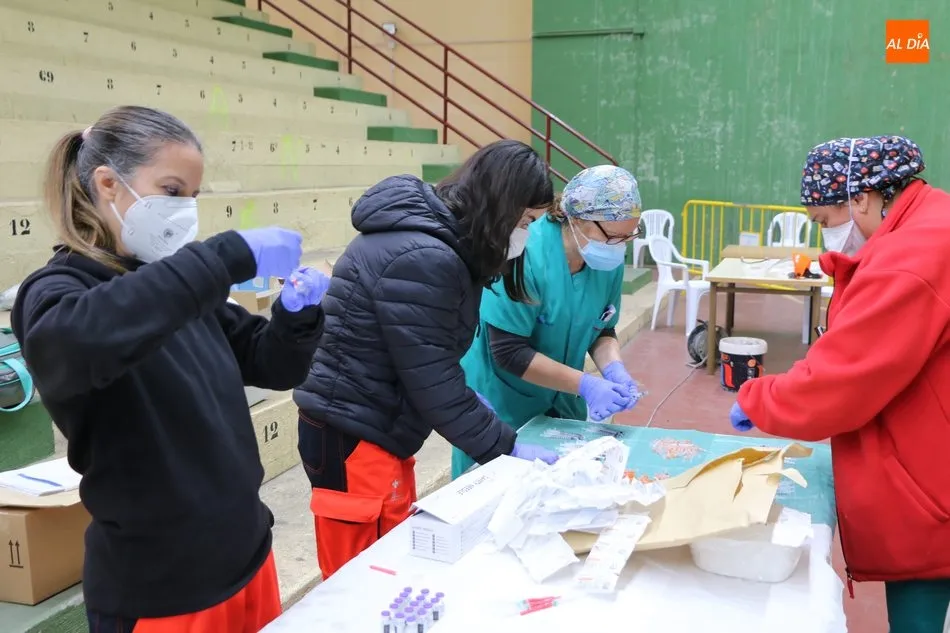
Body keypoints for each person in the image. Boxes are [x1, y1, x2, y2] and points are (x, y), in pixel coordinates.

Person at [10, 106, 330, 633]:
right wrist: (226, 256)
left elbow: (269, 362)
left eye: (194, 197)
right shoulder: (60, 291)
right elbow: (75, 344)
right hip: (163, 592)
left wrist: (296, 320)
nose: (186, 210)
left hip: (246, 557)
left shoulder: (177, 286)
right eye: (172, 191)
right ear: (109, 185)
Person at [294, 140, 561, 579]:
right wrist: (505, 446)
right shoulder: (425, 256)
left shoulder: (440, 244)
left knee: (393, 560)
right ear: (502, 206)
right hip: (353, 430)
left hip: (379, 421)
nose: (526, 236)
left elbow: (422, 356)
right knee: (362, 576)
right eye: (526, 221)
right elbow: (432, 379)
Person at [729, 136, 950, 633]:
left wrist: (759, 397)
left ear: (862, 198)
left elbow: (844, 381)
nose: (827, 235)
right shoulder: (933, 220)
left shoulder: (910, 257)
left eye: (824, 221)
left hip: (932, 481)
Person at [451, 165, 643, 480]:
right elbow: (509, 351)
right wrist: (586, 384)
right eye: (614, 237)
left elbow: (602, 328)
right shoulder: (524, 251)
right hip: (504, 405)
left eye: (629, 237)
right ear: (578, 219)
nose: (619, 246)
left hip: (561, 407)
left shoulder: (606, 262)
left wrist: (613, 369)